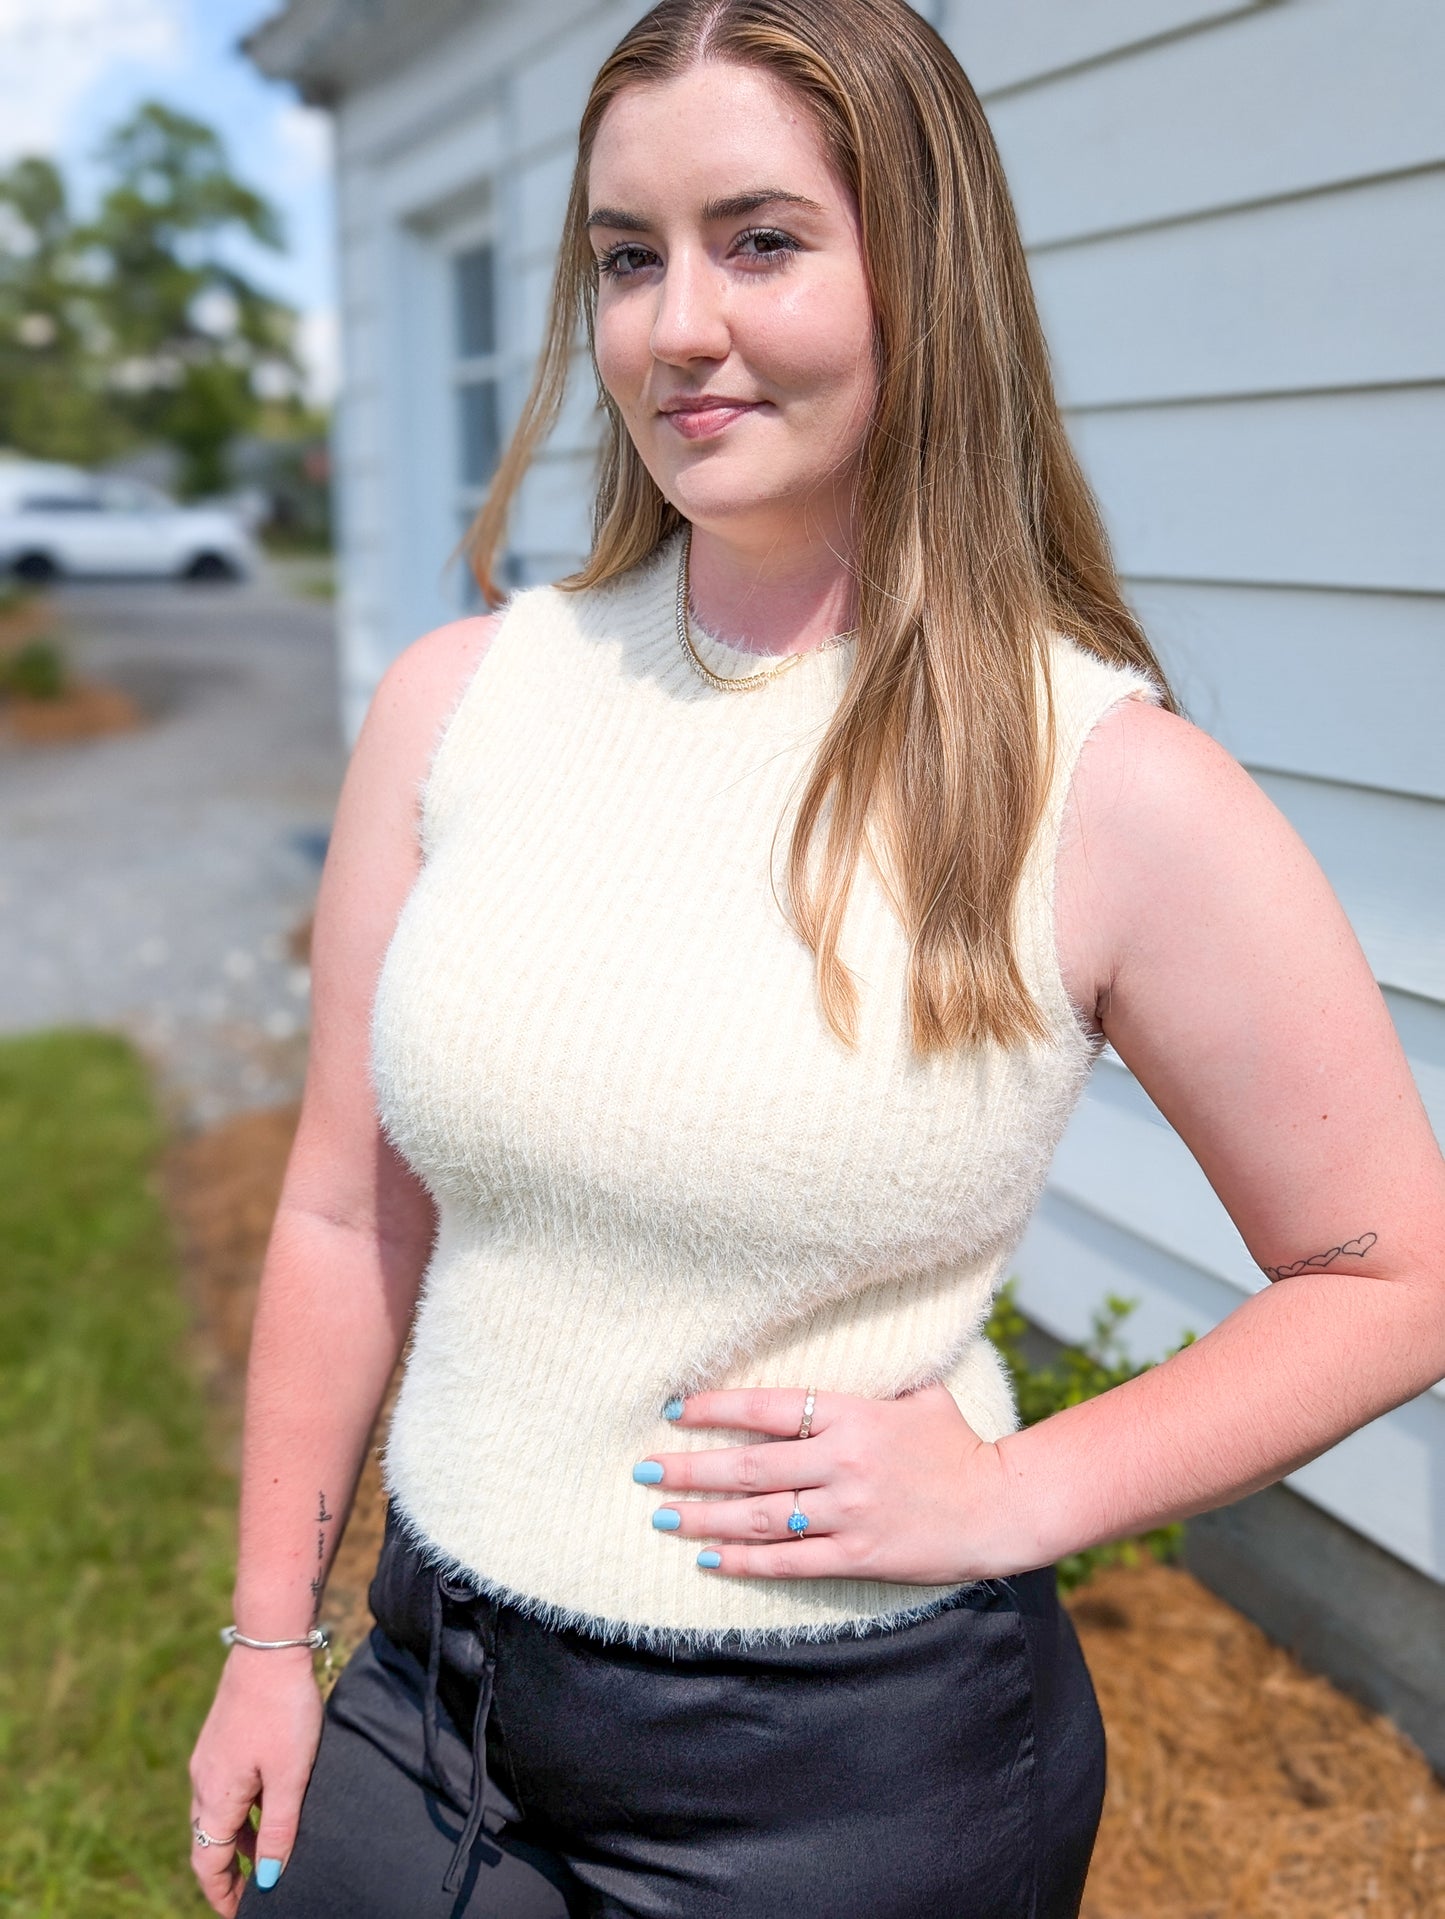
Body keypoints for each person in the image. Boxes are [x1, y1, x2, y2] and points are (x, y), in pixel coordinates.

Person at [188, 2, 1445, 1914]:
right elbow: (346, 1219)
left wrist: (1021, 1492)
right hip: (425, 1703)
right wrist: (267, 1642)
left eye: (758, 240)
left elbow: (1391, 1272)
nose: (675, 324)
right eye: (628, 257)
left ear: (921, 273)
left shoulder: (1102, 784)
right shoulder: (460, 705)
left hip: (847, 1779)